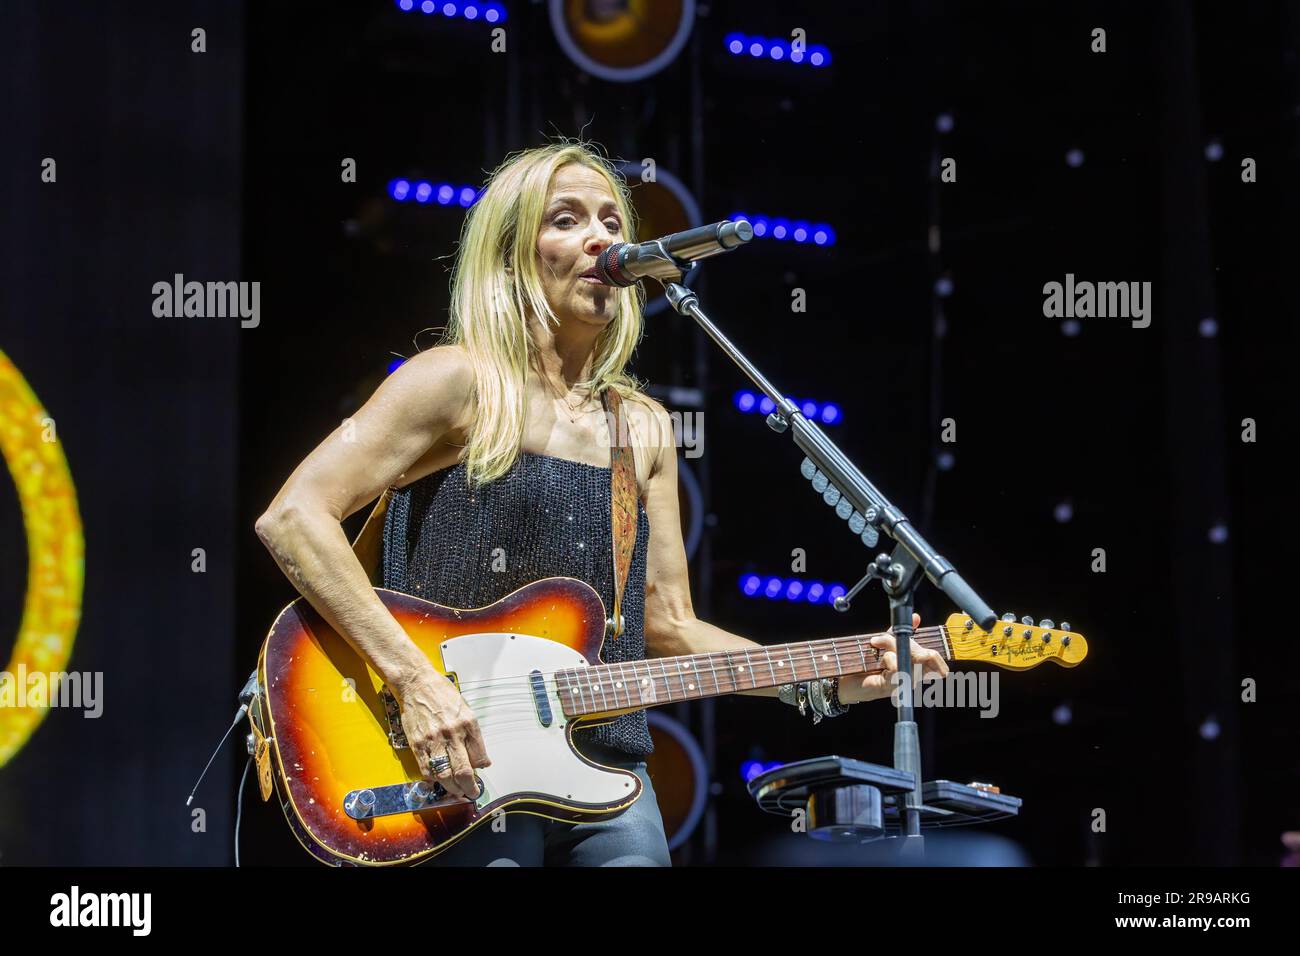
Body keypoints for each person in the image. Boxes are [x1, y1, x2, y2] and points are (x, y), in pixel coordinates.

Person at [254, 139, 950, 866]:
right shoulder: (455, 382)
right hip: (455, 762)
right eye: (566, 219)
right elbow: (295, 516)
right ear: (511, 253)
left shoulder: (640, 426)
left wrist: (819, 678)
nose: (603, 239)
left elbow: (670, 626)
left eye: (614, 222)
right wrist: (415, 680)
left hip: (605, 767)